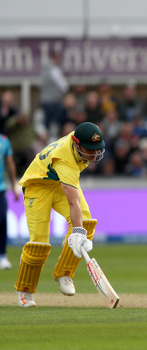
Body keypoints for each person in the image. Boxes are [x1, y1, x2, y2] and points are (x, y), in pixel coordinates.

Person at [14, 122, 105, 307]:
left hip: (57, 182)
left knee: (85, 223)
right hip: (37, 186)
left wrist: (79, 230)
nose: (94, 154)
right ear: (77, 144)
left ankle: (64, 272)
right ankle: (25, 290)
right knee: (39, 243)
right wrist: (77, 232)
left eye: (97, 149)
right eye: (90, 149)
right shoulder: (65, 159)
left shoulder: (79, 138)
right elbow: (73, 201)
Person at [0, 134, 20, 270]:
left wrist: (14, 187)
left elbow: (10, 163)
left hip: (0, 188)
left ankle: (2, 256)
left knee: (2, 220)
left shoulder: (4, 140)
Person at [40, 49, 69, 134]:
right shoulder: (54, 69)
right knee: (56, 124)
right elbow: (64, 86)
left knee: (46, 124)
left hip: (45, 100)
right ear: (55, 58)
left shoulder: (45, 68)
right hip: (54, 100)